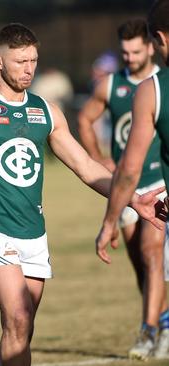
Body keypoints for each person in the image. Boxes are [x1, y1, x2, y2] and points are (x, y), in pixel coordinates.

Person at [0, 23, 165, 366]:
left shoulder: (46, 111)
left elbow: (85, 165)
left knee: (21, 328)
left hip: (34, 231)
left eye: (33, 60)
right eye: (20, 61)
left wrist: (132, 197)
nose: (28, 68)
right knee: (18, 316)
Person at [78, 19, 168, 360]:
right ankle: (160, 320)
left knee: (152, 249)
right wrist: (99, 157)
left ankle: (152, 332)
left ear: (150, 46)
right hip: (126, 186)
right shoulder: (110, 85)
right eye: (124, 52)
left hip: (158, 180)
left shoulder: (159, 85)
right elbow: (85, 119)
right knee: (141, 264)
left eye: (136, 51)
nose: (130, 58)